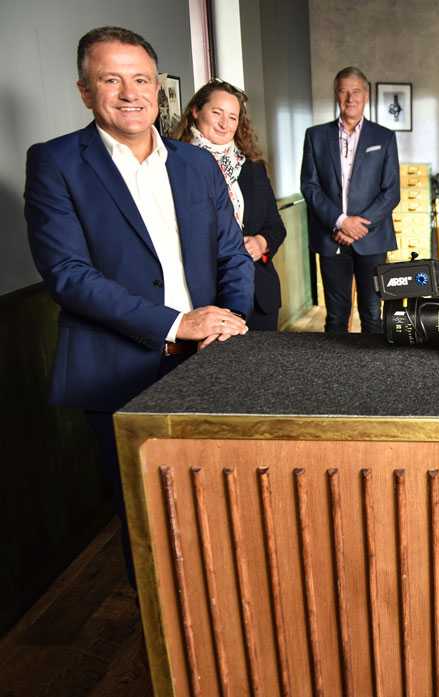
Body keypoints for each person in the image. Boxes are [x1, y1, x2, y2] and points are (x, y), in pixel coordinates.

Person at [24, 26, 253, 580]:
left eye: (141, 79)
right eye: (111, 79)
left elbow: (233, 256)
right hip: (116, 366)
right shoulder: (55, 163)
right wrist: (177, 323)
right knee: (145, 523)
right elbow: (68, 276)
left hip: (211, 359)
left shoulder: (198, 165)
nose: (130, 92)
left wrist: (233, 321)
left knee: (222, 507)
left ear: (160, 89)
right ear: (84, 90)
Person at [174, 79, 287, 330]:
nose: (225, 124)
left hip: (258, 295)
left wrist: (261, 243)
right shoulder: (172, 164)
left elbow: (275, 226)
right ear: (196, 111)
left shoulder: (253, 167)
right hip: (200, 299)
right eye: (217, 113)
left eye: (233, 117)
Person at [301, 66, 400, 334]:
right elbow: (309, 187)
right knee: (335, 316)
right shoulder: (315, 136)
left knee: (372, 314)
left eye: (355, 91)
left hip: (372, 239)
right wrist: (341, 222)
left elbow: (391, 192)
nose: (350, 98)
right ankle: (335, 374)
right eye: (344, 91)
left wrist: (358, 227)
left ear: (366, 95)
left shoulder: (384, 137)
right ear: (336, 95)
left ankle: (370, 375)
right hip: (330, 236)